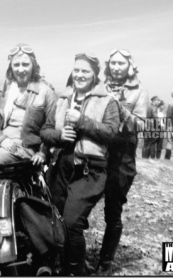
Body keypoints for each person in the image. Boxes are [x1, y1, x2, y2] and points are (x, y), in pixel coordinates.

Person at [41, 53, 120, 276]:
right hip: (61, 167)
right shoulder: (62, 99)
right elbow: (44, 131)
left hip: (90, 169)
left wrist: (82, 122)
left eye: (85, 71)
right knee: (55, 219)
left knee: (72, 222)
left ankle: (74, 271)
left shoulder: (108, 101)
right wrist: (58, 135)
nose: (80, 75)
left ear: (95, 75)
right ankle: (60, 264)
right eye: (77, 70)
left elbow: (112, 133)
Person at [0, 43, 56, 215]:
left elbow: (52, 125)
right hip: (6, 143)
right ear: (11, 67)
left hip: (26, 146)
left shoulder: (45, 91)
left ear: (34, 65)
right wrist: (1, 138)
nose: (21, 69)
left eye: (25, 64)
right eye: (16, 65)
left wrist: (43, 152)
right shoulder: (9, 89)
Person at [96, 49, 149, 275]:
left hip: (123, 154)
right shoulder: (99, 87)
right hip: (98, 150)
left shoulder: (140, 92)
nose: (117, 67)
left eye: (121, 63)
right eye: (113, 63)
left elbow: (142, 125)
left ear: (130, 66)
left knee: (113, 209)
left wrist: (120, 109)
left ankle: (106, 260)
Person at [165, 92, 173, 160]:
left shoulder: (171, 104)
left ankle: (167, 157)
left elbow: (168, 117)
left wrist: (167, 127)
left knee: (169, 141)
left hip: (171, 125)